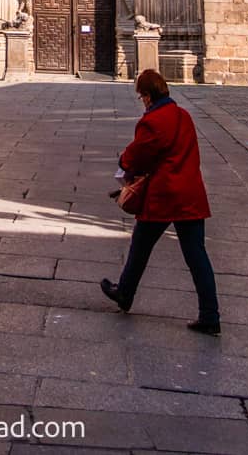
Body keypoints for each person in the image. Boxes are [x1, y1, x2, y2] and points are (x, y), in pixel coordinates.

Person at [101, 68, 220, 334]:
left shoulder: (154, 121)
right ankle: (210, 315)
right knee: (197, 255)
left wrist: (124, 162)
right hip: (191, 194)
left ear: (147, 95)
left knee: (141, 246)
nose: (141, 100)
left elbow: (137, 155)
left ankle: (125, 293)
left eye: (141, 95)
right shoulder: (184, 116)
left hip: (164, 196)